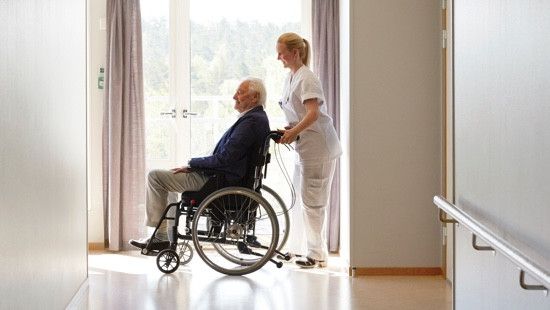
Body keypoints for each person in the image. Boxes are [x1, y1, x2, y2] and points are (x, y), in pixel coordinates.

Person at [130, 77, 270, 250]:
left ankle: (160, 237)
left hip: (218, 181)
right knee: (169, 181)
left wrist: (193, 163)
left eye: (240, 93)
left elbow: (225, 158)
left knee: (155, 177)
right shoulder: (256, 118)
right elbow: (229, 157)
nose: (234, 97)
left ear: (254, 97)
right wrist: (194, 166)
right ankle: (165, 236)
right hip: (222, 176)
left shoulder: (251, 122)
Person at [275, 32, 342, 268]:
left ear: (295, 53)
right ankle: (299, 247)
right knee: (302, 197)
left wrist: (293, 132)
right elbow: (300, 113)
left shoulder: (307, 78)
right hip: (304, 145)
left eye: (281, 53)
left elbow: (313, 113)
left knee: (314, 201)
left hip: (318, 148)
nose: (278, 57)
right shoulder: (291, 77)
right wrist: (291, 128)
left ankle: (317, 254)